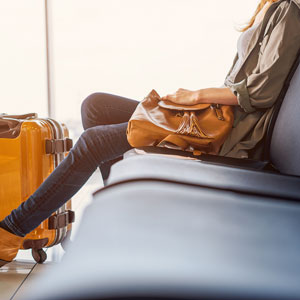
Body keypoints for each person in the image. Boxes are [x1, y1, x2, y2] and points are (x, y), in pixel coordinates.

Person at [0, 0, 300, 267]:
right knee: (96, 106)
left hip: (233, 137)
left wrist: (195, 96)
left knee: (94, 142)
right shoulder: (271, 6)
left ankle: (9, 234)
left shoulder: (288, 10)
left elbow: (261, 91)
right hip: (220, 121)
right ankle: (122, 222)